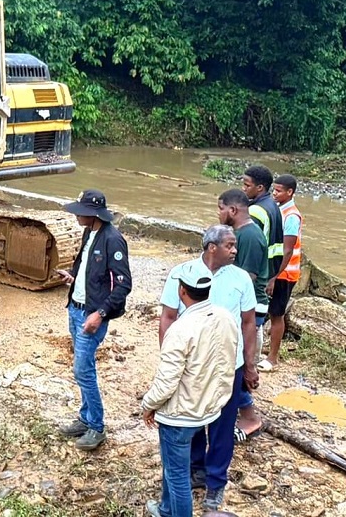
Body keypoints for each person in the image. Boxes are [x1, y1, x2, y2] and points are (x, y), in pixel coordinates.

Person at [158, 225, 257, 512]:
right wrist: (168, 357)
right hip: (191, 366)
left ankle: (216, 483)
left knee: (223, 426)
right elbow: (167, 316)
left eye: (235, 245)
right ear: (211, 247)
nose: (235, 250)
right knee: (192, 419)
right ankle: (196, 469)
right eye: (230, 245)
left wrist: (250, 365)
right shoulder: (182, 273)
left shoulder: (241, 279)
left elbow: (248, 322)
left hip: (229, 366)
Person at [141, 267, 238, 517]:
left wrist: (148, 405)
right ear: (207, 290)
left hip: (180, 415)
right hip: (209, 408)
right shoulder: (225, 317)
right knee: (173, 468)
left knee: (177, 476)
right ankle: (165, 509)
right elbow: (228, 361)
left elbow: (166, 382)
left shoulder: (180, 329)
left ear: (182, 291)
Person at [57, 189, 132, 451]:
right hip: (76, 309)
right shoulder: (89, 233)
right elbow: (87, 268)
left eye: (81, 212)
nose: (77, 216)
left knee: (83, 370)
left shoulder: (113, 240)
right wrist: (73, 276)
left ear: (93, 214)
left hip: (91, 316)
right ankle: (85, 418)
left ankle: (97, 427)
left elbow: (123, 285)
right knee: (82, 367)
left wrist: (100, 314)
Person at [217, 189, 267, 441]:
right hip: (241, 308)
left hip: (250, 310)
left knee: (237, 363)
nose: (218, 214)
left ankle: (249, 416)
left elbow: (247, 278)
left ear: (232, 210)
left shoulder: (248, 236)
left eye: (220, 208)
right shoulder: (242, 234)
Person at [262, 174, 304, 371]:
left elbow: (287, 250)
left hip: (284, 274)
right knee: (268, 310)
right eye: (274, 190)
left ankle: (272, 358)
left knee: (276, 314)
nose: (275, 194)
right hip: (275, 271)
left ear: (290, 192)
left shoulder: (291, 216)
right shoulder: (279, 210)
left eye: (279, 191)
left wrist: (273, 277)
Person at [242, 165, 284, 283]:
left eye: (247, 185)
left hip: (258, 271)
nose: (243, 188)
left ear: (260, 187)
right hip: (270, 269)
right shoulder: (272, 204)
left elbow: (251, 245)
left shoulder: (255, 211)